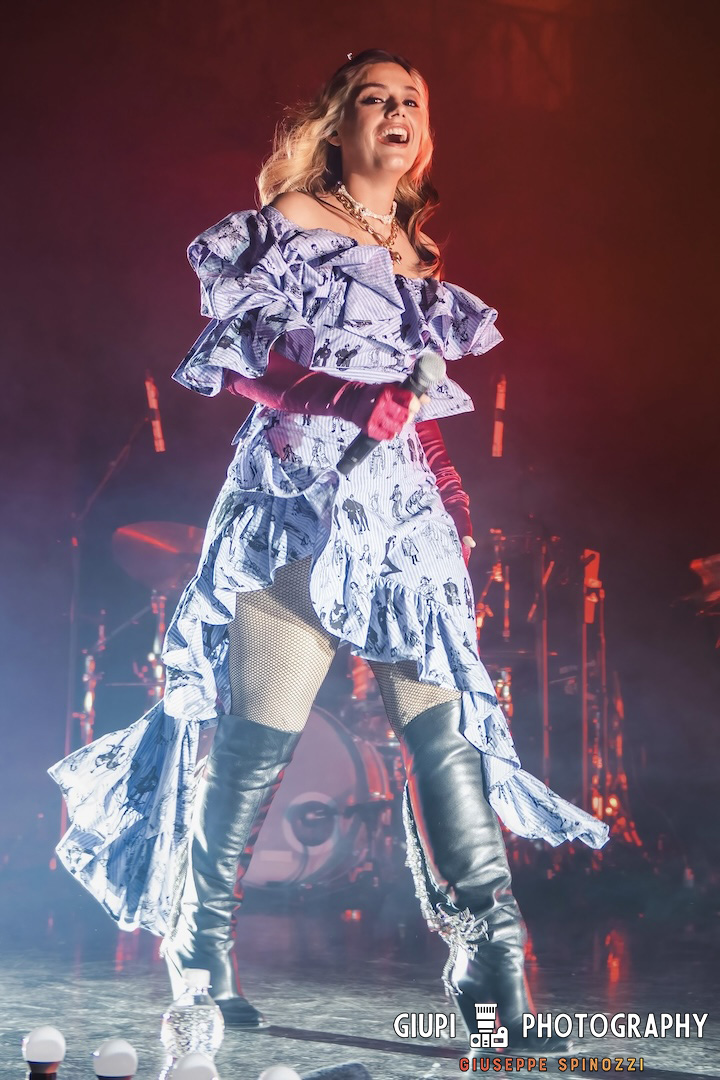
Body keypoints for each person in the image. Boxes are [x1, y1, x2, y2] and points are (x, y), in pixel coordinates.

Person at [49, 49, 608, 1055]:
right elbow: (245, 363)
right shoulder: (290, 222)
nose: (395, 110)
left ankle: (491, 965)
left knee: (446, 743)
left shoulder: (417, 255)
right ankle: (201, 947)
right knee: (255, 752)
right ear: (338, 126)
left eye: (411, 101)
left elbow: (418, 413)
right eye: (373, 98)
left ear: (422, 136)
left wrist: (450, 500)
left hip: (404, 527)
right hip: (299, 504)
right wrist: (346, 399)